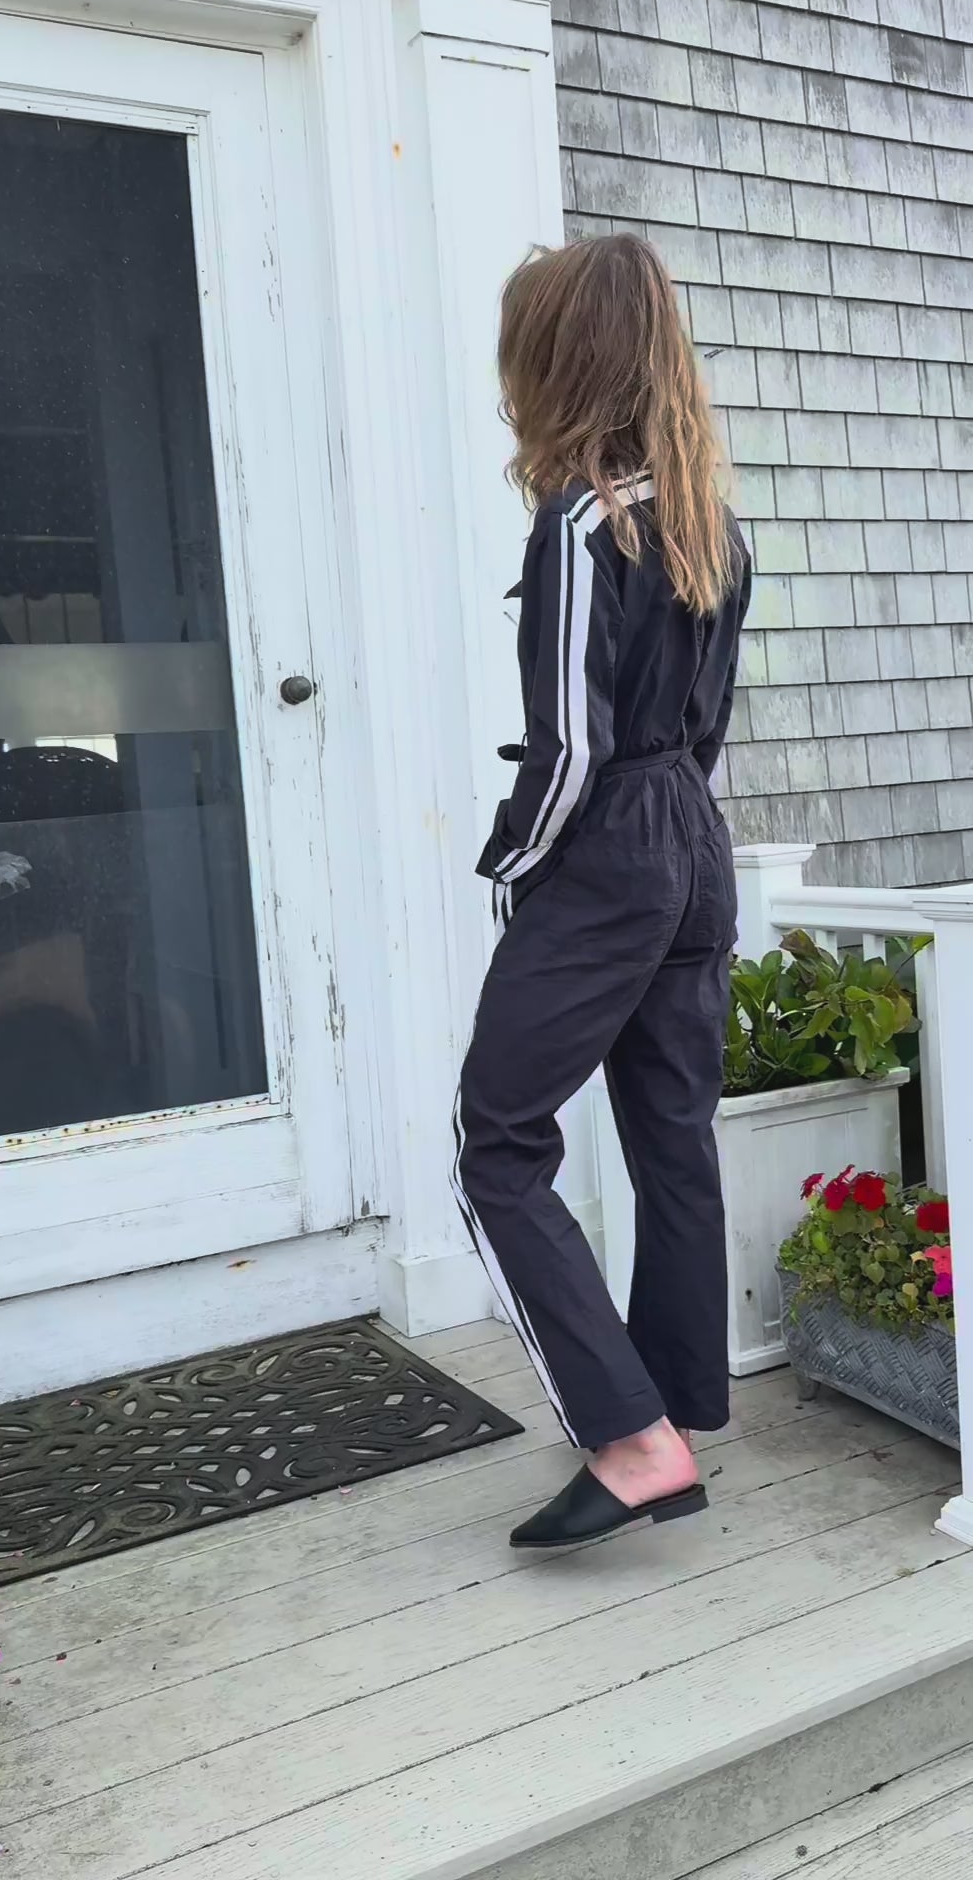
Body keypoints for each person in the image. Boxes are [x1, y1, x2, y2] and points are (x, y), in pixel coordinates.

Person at [451, 233, 751, 1553]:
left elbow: (571, 747)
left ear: (557, 360)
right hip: (691, 835)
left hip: (611, 852)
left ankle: (633, 1443)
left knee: (498, 1142)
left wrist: (514, 863)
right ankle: (675, 1405)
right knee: (671, 1134)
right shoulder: (709, 524)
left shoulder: (582, 521)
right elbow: (702, 726)